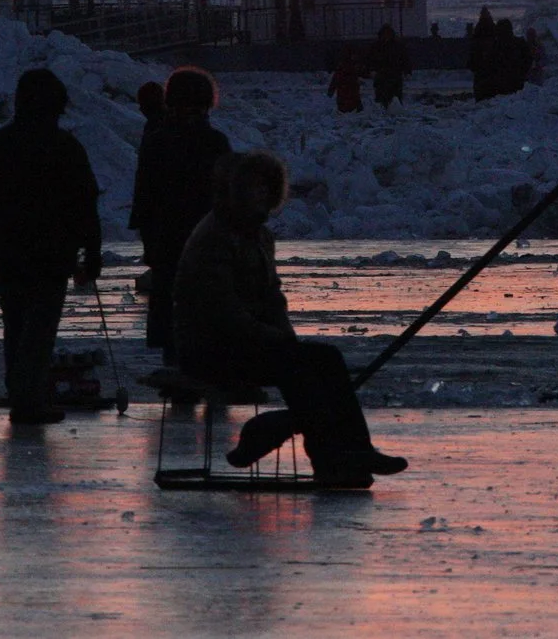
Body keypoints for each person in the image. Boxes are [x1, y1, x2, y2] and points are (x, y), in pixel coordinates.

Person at [174, 152, 405, 489]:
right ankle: (328, 459)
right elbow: (222, 311)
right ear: (237, 191)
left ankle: (356, 450)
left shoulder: (258, 236)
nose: (261, 195)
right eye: (254, 188)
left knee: (326, 359)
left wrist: (284, 336)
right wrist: (273, 339)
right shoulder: (215, 237)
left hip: (249, 343)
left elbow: (272, 299)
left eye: (266, 188)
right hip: (210, 349)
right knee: (296, 367)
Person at [0, 68, 102, 425]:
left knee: (16, 325)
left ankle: (21, 391)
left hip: (12, 254)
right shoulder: (66, 147)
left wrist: (1, 231)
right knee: (39, 329)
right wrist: (91, 250)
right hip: (53, 255)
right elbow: (86, 203)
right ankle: (29, 398)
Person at [130, 68, 231, 358]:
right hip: (206, 243)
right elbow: (229, 199)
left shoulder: (157, 142)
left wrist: (149, 242)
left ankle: (176, 368)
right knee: (206, 321)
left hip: (167, 243)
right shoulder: (215, 142)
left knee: (172, 324)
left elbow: (144, 197)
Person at [366, 24, 409, 109]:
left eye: (388, 34)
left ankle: (395, 109)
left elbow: (404, 58)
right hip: (382, 75)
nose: (386, 36)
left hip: (394, 74)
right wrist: (371, 70)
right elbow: (370, 59)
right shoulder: (376, 46)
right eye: (385, 34)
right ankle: (384, 109)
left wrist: (406, 70)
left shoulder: (397, 46)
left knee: (395, 97)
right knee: (382, 96)